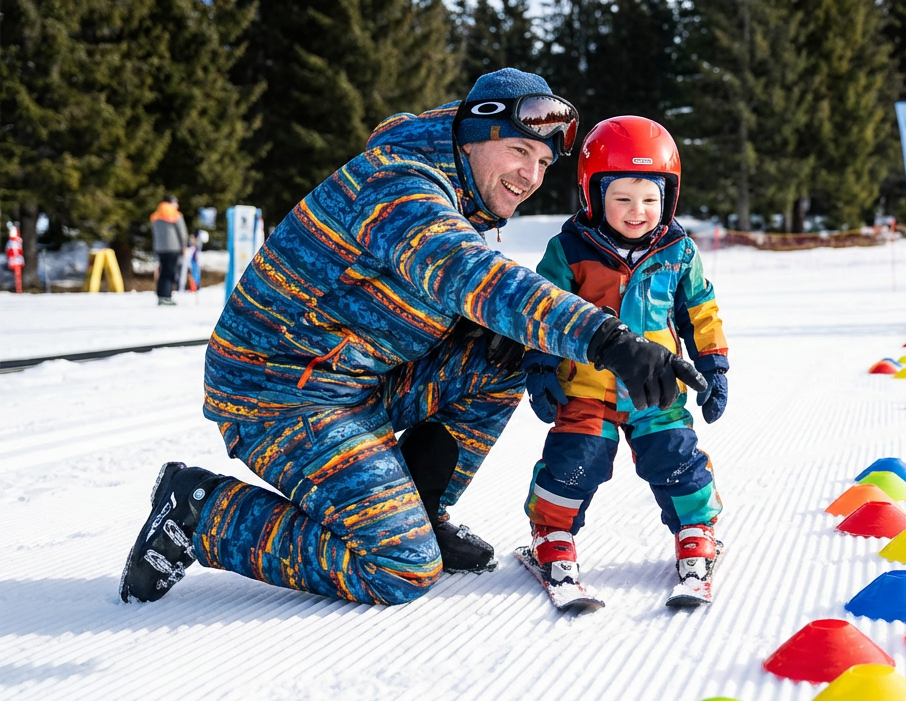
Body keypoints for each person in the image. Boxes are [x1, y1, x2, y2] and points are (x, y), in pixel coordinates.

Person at [117, 68, 706, 606]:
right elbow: (472, 275)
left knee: (503, 349)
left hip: (352, 378)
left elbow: (488, 304)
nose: (530, 176)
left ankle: (423, 509)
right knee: (399, 567)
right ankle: (197, 513)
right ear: (474, 136)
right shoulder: (400, 186)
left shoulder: (465, 196)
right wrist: (607, 340)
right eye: (519, 150)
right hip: (277, 393)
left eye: (544, 164)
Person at [520, 116, 728, 594]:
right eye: (623, 199)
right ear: (594, 196)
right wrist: (539, 365)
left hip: (657, 388)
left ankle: (697, 530)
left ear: (668, 198)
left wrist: (714, 365)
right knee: (577, 459)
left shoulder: (679, 251)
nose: (638, 212)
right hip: (586, 387)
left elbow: (701, 311)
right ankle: (551, 533)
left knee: (675, 456)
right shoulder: (569, 250)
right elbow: (542, 312)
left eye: (651, 199)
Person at [150, 196, 188, 306]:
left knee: (162, 272)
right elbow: (182, 232)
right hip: (173, 248)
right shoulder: (175, 215)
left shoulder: (156, 215)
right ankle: (167, 296)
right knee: (170, 272)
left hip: (160, 248)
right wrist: (184, 245)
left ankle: (161, 295)